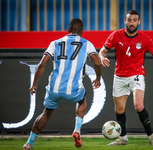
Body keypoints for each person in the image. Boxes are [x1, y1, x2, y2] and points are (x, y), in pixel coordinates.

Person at [23, 18, 102, 149]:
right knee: (82, 100)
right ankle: (77, 129)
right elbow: (97, 62)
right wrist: (98, 78)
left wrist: (34, 84)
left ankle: (29, 143)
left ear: (68, 30)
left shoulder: (55, 43)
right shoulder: (87, 44)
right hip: (74, 89)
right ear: (82, 31)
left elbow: (42, 64)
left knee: (46, 113)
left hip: (55, 88)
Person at [99, 10, 153, 146]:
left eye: (134, 20)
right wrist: (102, 57)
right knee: (119, 110)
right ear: (125, 21)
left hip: (136, 75)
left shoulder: (145, 39)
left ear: (139, 22)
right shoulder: (115, 35)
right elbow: (102, 51)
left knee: (138, 105)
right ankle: (123, 138)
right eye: (129, 20)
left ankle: (151, 137)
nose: (131, 23)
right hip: (119, 77)